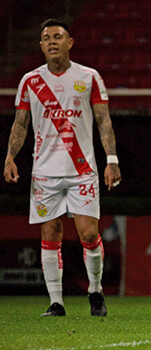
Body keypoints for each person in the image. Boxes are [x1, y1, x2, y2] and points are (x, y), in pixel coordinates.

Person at [3, 19, 122, 317]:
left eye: (58, 36)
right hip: (45, 172)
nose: (52, 41)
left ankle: (95, 291)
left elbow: (103, 120)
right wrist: (9, 157)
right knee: (51, 232)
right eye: (46, 38)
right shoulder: (31, 81)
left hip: (83, 170)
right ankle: (56, 302)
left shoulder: (89, 77)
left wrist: (112, 160)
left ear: (70, 42)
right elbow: (21, 123)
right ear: (41, 45)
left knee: (88, 233)